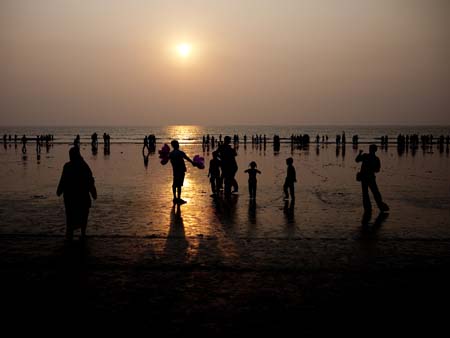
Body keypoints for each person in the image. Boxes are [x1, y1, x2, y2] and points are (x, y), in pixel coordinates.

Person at [57, 147, 97, 241]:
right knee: (83, 218)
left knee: (70, 219)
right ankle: (82, 235)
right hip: (82, 198)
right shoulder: (84, 166)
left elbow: (63, 181)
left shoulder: (67, 166)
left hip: (70, 199)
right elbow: (90, 181)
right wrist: (94, 193)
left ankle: (71, 237)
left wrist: (59, 191)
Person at [355, 144, 389, 213]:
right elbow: (377, 170)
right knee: (375, 192)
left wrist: (359, 153)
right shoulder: (376, 159)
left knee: (365, 193)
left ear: (370, 149)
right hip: (370, 178)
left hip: (364, 177)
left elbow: (357, 160)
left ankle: (368, 208)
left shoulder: (365, 156)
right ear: (375, 150)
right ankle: (380, 206)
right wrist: (372, 169)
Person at [169, 140, 194, 204]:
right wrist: (193, 163)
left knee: (175, 184)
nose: (178, 145)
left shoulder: (171, 154)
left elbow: (166, 161)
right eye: (177, 144)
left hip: (175, 170)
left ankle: (175, 197)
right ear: (177, 145)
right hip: (180, 170)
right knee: (179, 185)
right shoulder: (180, 153)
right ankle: (178, 198)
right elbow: (187, 158)